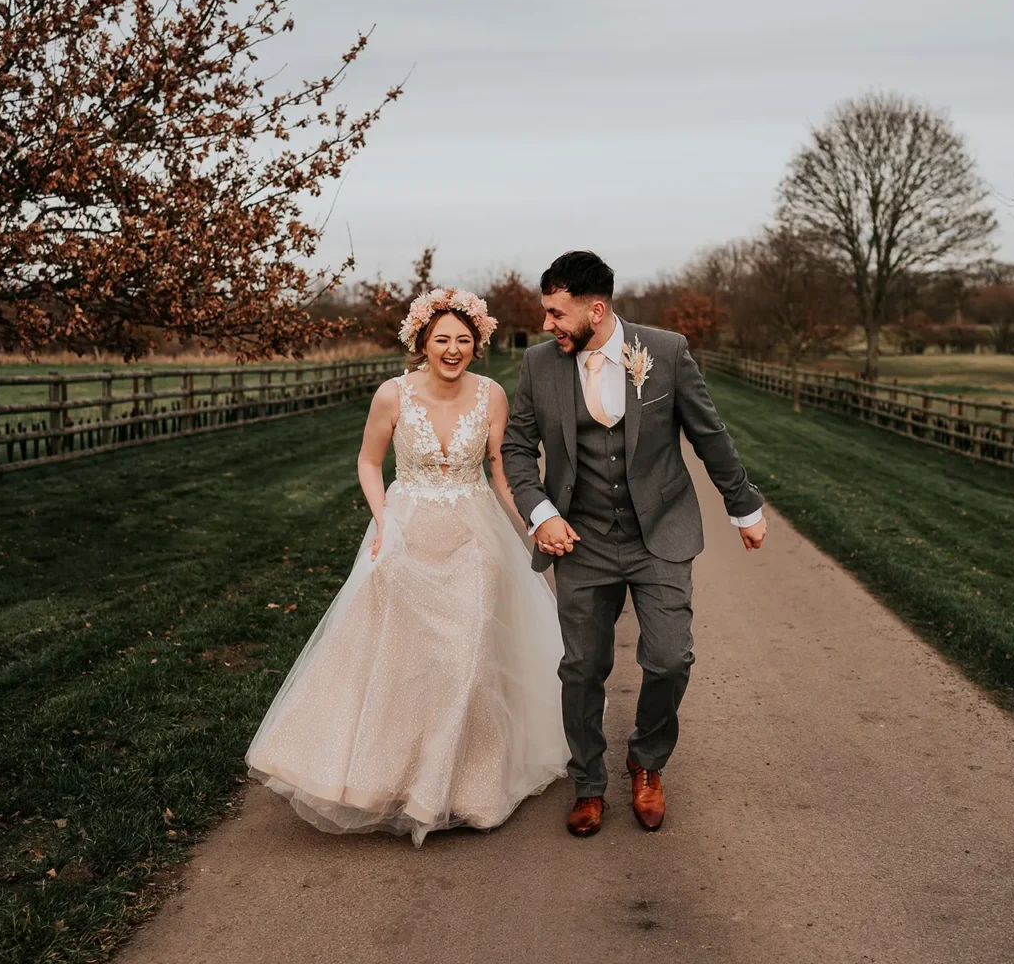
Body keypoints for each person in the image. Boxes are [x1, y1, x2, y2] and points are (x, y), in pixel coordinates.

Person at [246, 289, 568, 847]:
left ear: (477, 346)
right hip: (407, 529)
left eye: (464, 340)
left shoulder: (492, 395)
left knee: (465, 659)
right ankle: (392, 779)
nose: (453, 349)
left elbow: (498, 470)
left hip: (473, 536)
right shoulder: (392, 395)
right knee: (407, 659)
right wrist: (383, 520)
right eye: (442, 338)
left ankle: (460, 791)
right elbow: (369, 462)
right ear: (421, 342)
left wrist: (534, 523)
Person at [501, 250, 768, 838]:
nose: (546, 324)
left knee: (672, 658)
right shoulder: (538, 365)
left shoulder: (665, 352)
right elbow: (517, 449)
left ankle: (647, 762)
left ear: (595, 310)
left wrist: (742, 504)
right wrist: (540, 513)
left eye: (555, 313)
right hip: (581, 538)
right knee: (582, 668)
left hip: (661, 531)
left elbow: (708, 433)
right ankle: (589, 783)